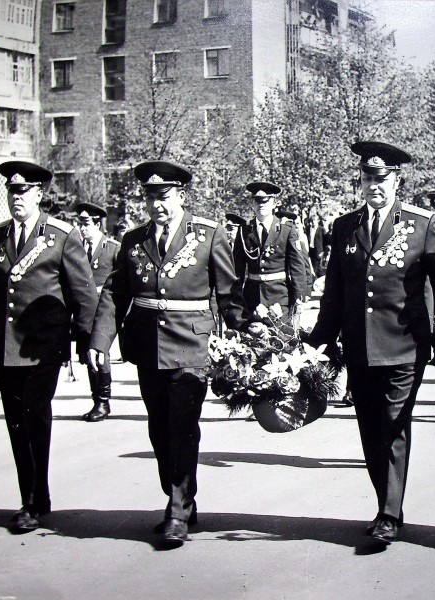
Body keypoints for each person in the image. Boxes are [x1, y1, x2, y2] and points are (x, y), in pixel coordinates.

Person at [88, 161, 262, 546]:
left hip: (191, 346)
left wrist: (245, 326)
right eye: (150, 197)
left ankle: (178, 509)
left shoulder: (209, 234)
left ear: (180, 194)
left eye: (163, 196)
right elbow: (116, 294)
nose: (156, 205)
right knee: (159, 429)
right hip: (147, 347)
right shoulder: (134, 241)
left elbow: (228, 291)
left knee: (182, 426)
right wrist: (99, 341)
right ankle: (181, 497)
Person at [308, 141, 435, 545]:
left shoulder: (422, 224)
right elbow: (335, 295)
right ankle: (387, 502)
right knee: (369, 430)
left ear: (398, 181)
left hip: (404, 345)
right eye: (367, 178)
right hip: (359, 348)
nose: (374, 185)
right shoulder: (345, 226)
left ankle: (388, 514)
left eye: (382, 178)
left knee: (394, 426)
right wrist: (317, 344)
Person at [0, 161, 98, 533]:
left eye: (23, 192)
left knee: (36, 416)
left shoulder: (60, 236)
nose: (16, 198)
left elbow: (83, 293)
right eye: (11, 191)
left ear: (39, 195)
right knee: (17, 424)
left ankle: (32, 502)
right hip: (7, 347)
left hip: (43, 348)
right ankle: (36, 495)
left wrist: (88, 344)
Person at [73, 202, 120, 423]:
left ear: (98, 224)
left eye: (86, 224)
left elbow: (122, 281)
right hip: (83, 312)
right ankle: (97, 400)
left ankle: (103, 401)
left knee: (101, 354)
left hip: (104, 313)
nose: (82, 229)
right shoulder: (76, 249)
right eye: (80, 224)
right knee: (88, 357)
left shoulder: (112, 248)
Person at [233, 182, 306, 322]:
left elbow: (297, 267)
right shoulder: (244, 231)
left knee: (281, 340)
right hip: (251, 298)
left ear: (274, 203)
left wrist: (299, 298)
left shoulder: (287, 230)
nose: (261, 204)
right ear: (252, 203)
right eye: (257, 201)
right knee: (251, 341)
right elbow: (238, 269)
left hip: (279, 298)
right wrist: (235, 297)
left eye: (266, 201)